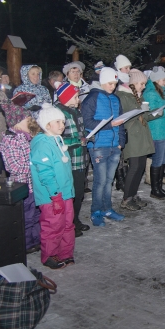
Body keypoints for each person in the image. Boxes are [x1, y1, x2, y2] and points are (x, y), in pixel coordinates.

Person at [30, 104, 76, 270]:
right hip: (51, 196)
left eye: (63, 122)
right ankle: (50, 255)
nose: (62, 125)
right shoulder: (42, 145)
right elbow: (45, 173)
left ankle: (65, 253)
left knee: (67, 224)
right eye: (57, 122)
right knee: (53, 225)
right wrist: (55, 195)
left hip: (65, 193)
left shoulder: (57, 141)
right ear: (47, 124)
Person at [81, 67, 126, 226]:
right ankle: (96, 211)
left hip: (114, 146)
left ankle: (107, 208)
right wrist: (109, 125)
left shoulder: (115, 99)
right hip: (99, 145)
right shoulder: (92, 98)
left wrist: (121, 142)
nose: (112, 86)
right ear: (102, 81)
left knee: (109, 181)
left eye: (114, 84)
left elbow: (121, 122)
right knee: (100, 181)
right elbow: (87, 122)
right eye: (109, 83)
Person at [0, 103, 42, 255]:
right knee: (26, 217)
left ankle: (36, 239)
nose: (30, 121)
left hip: (33, 184)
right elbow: (14, 167)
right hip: (22, 187)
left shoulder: (26, 137)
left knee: (36, 214)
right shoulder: (10, 141)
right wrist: (35, 164)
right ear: (16, 122)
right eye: (26, 118)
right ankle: (26, 243)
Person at [54, 81, 91, 236]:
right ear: (66, 98)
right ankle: (68, 224)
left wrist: (87, 135)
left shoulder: (76, 112)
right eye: (75, 97)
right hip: (68, 160)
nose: (78, 100)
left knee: (79, 192)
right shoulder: (58, 114)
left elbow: (80, 132)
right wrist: (78, 140)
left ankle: (75, 220)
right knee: (70, 193)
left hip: (80, 158)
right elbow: (58, 139)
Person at [116, 69, 156, 210]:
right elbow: (124, 117)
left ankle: (133, 195)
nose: (143, 87)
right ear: (133, 83)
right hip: (132, 136)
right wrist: (138, 111)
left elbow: (145, 116)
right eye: (141, 84)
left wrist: (156, 112)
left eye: (144, 84)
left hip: (141, 135)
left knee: (140, 167)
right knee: (134, 167)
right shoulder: (123, 96)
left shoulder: (139, 96)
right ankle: (126, 198)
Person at [143, 66, 165, 199]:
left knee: (162, 160)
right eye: (163, 79)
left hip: (164, 129)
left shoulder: (161, 90)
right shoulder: (150, 93)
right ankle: (155, 190)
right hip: (157, 131)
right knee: (157, 161)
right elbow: (153, 113)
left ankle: (159, 187)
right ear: (156, 80)